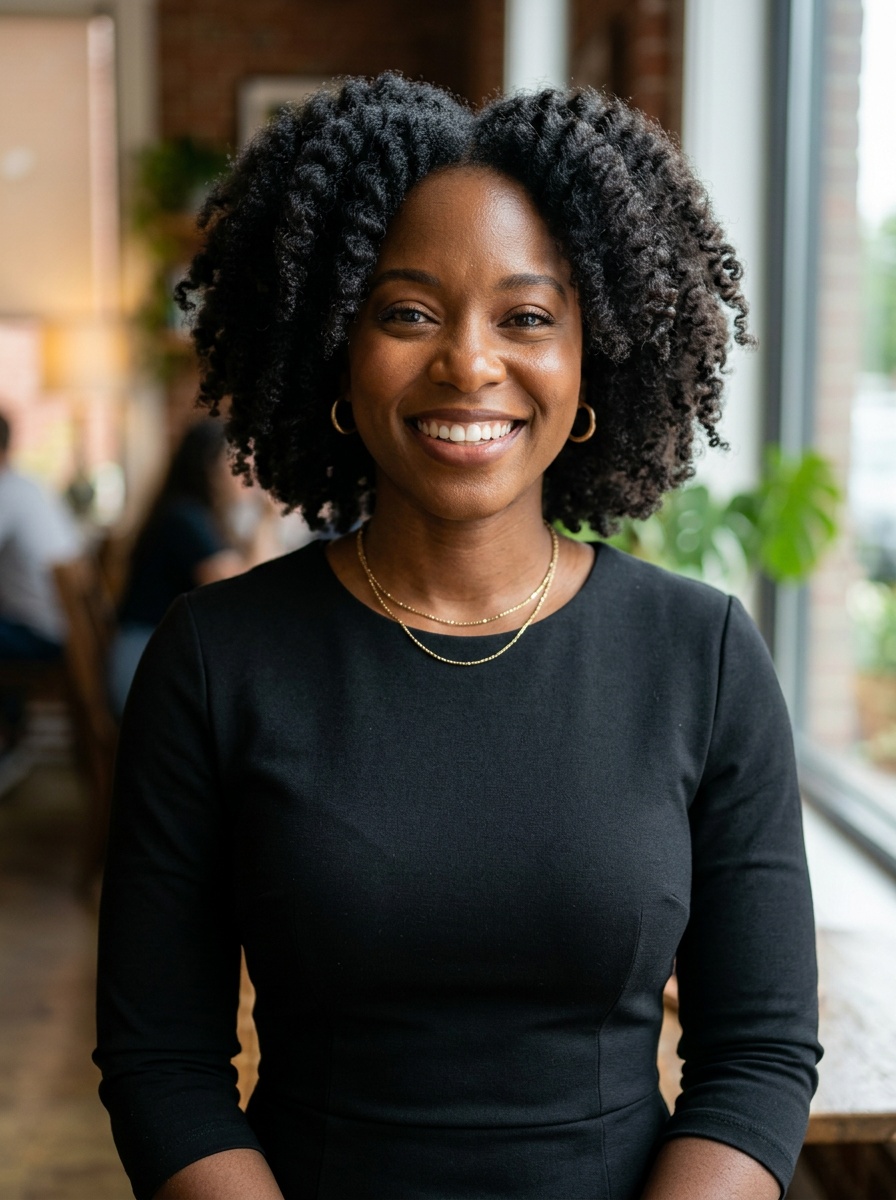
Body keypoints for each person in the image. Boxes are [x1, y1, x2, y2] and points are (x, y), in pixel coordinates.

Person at [94, 75, 822, 1200]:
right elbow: (163, 1064)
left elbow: (757, 1059)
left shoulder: (703, 655)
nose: (469, 365)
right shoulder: (213, 659)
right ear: (334, 346)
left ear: (592, 358)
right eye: (407, 312)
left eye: (526, 317)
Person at [107, 418, 282, 717]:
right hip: (145, 666)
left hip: (161, 656)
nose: (248, 471)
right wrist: (266, 518)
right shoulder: (184, 518)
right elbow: (243, 593)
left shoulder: (199, 517)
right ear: (209, 467)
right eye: (237, 460)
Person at [0, 410, 81, 750]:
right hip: (65, 627)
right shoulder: (28, 485)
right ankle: (12, 731)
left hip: (45, 635)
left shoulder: (6, 491)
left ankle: (8, 738)